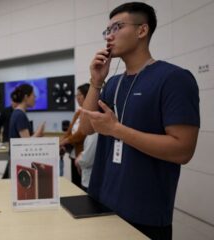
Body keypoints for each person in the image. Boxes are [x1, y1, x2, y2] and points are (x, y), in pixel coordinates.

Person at [79, 2, 200, 240]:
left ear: (142, 31)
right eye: (107, 31)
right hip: (102, 201)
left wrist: (117, 130)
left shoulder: (174, 78)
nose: (109, 36)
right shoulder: (111, 83)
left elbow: (183, 150)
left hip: (145, 212)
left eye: (117, 27)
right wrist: (96, 81)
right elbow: (85, 128)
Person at [2, 84, 45, 178]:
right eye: (33, 95)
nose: (35, 98)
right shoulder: (20, 115)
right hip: (19, 162)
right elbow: (27, 143)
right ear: (26, 97)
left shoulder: (17, 113)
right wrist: (38, 132)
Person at [59, 83, 89, 186]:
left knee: (82, 185)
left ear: (86, 95)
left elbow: (81, 134)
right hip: (73, 154)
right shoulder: (78, 112)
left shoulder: (90, 113)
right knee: (75, 184)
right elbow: (69, 131)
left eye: (79, 94)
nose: (77, 97)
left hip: (83, 155)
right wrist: (61, 142)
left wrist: (65, 141)